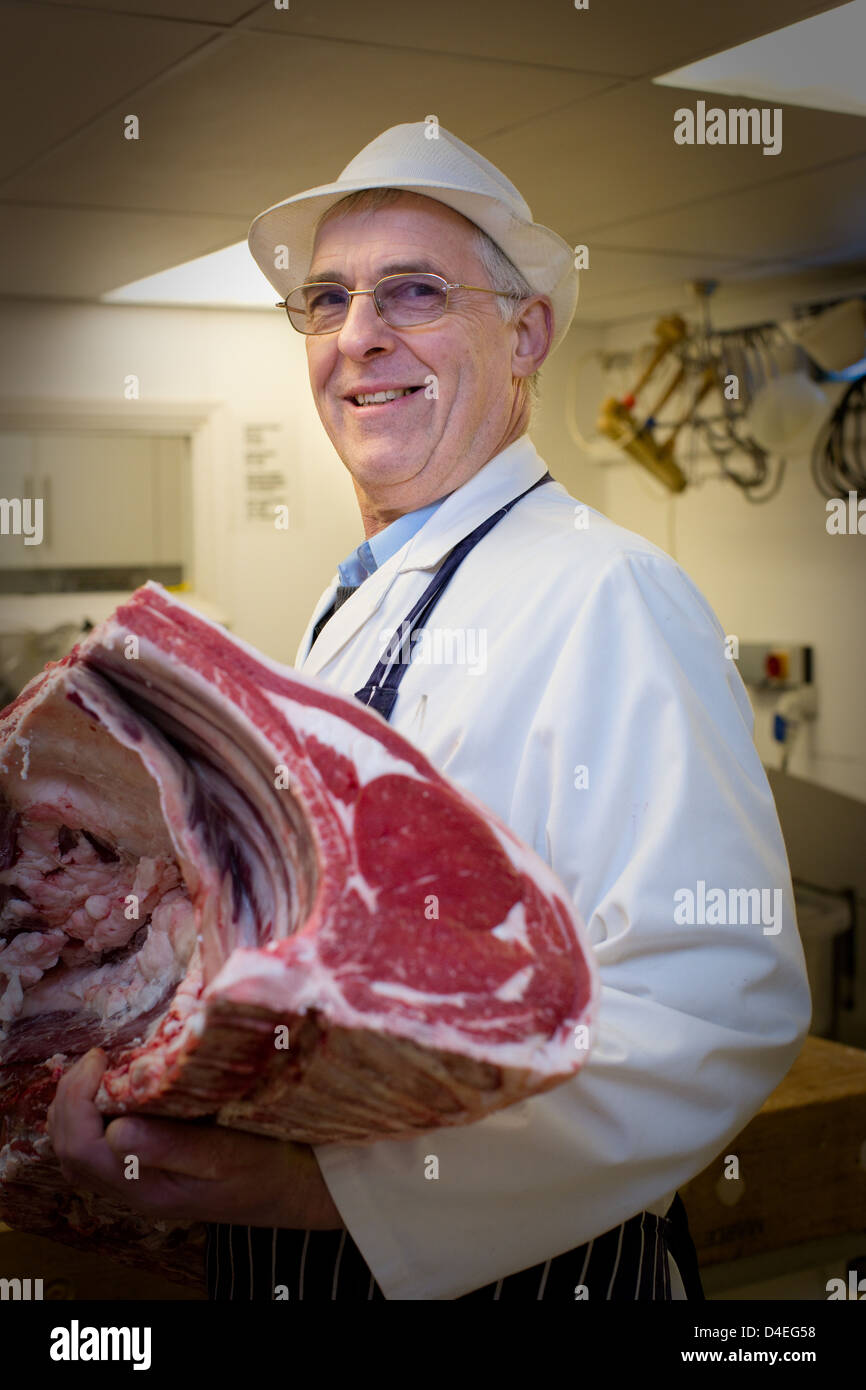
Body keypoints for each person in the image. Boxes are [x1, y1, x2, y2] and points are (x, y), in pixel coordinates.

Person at [48, 122, 811, 1302]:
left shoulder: (605, 590)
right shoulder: (353, 601)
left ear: (526, 334)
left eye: (413, 291)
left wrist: (320, 1190)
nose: (359, 338)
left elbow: (715, 1010)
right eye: (328, 299)